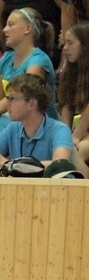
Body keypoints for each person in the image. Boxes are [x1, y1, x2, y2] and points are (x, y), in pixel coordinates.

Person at [0, 7, 58, 141]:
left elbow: (24, 99)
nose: (4, 30)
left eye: (11, 25)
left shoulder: (38, 61)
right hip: (12, 118)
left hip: (37, 125)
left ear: (27, 28)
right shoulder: (5, 59)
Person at [0, 73, 74, 170]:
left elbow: (60, 165)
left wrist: (10, 165)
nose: (7, 104)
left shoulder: (59, 130)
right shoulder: (13, 128)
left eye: (12, 98)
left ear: (31, 103)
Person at [60, 23, 89, 170]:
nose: (65, 48)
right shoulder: (70, 71)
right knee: (63, 149)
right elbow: (66, 104)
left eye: (70, 43)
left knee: (76, 154)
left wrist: (76, 135)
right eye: (65, 43)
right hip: (82, 131)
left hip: (84, 130)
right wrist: (65, 135)